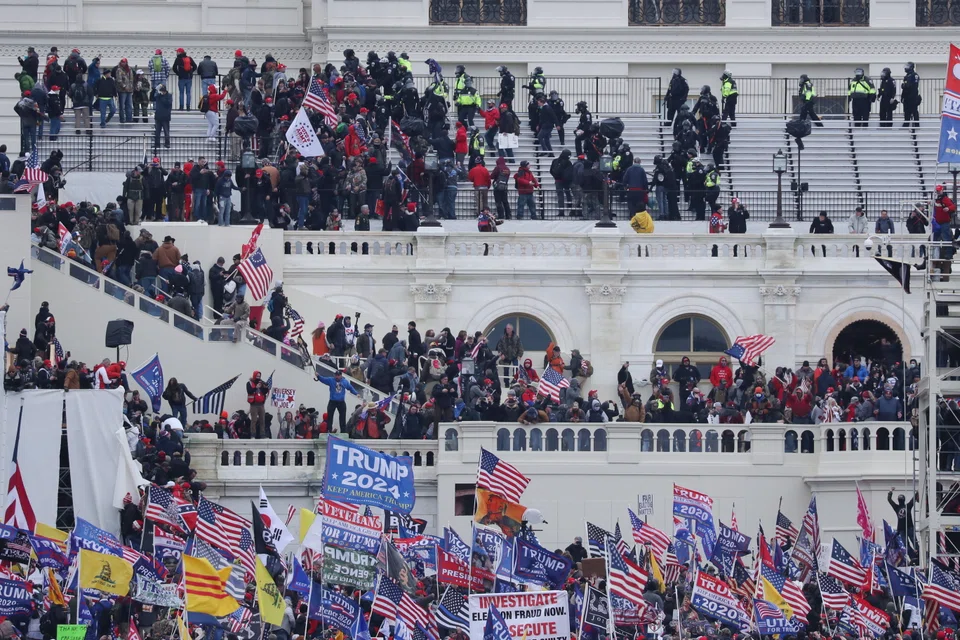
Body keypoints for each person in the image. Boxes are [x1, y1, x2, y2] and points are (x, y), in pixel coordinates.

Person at [246, 371, 270, 438]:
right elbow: (249, 391)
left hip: (261, 404)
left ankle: (262, 434)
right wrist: (256, 387)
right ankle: (253, 434)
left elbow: (264, 392)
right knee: (254, 420)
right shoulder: (249, 383)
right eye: (257, 376)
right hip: (254, 405)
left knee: (262, 419)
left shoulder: (261, 383)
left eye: (259, 376)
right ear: (254, 376)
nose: (258, 378)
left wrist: (265, 387)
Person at [153, 85, 172, 151]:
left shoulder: (169, 96)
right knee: (157, 131)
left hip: (165, 117)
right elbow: (152, 98)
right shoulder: (158, 96)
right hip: (158, 116)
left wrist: (162, 97)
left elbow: (168, 103)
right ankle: (157, 143)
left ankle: (167, 143)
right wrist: (154, 90)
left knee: (166, 131)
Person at [901, 62, 920, 128]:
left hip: (913, 96)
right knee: (906, 111)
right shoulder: (906, 76)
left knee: (914, 111)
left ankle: (917, 124)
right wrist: (902, 97)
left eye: (907, 66)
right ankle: (906, 124)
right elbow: (904, 87)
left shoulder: (915, 75)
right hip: (906, 97)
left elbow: (912, 86)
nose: (906, 68)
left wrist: (905, 85)